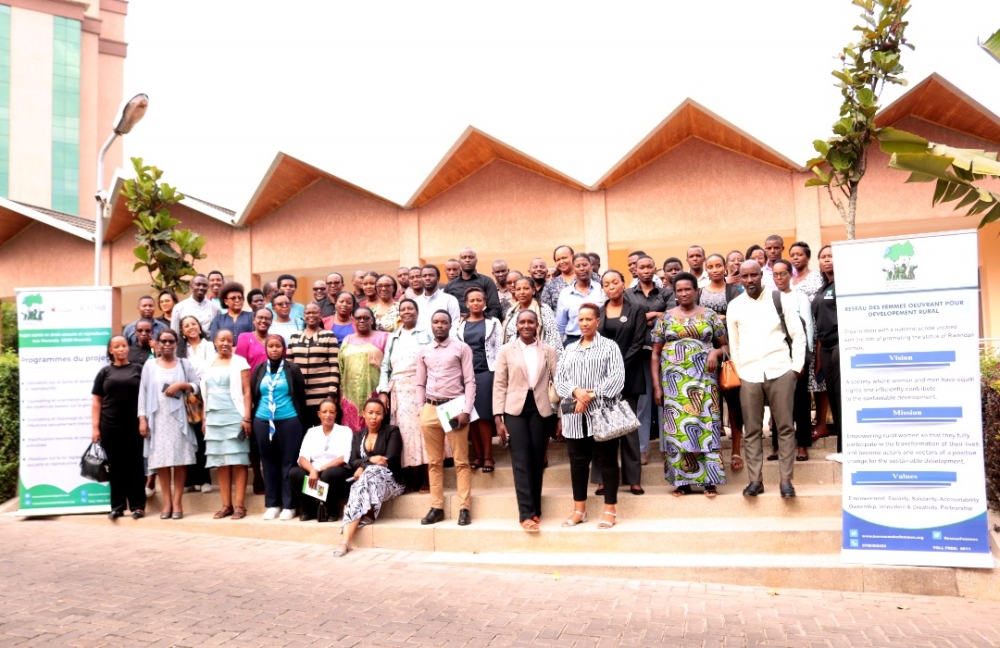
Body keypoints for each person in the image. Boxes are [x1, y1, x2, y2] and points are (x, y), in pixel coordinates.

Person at [728, 261, 806, 498]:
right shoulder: (735, 306)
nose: (750, 279)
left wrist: (796, 369)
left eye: (754, 275)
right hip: (749, 374)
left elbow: (798, 334)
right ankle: (755, 481)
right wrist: (740, 372)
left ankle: (785, 481)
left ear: (762, 274)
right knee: (751, 430)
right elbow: (735, 344)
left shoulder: (780, 299)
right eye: (745, 276)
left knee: (784, 428)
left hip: (781, 369)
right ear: (739, 278)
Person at [651, 272, 728, 497]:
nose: (684, 293)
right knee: (678, 431)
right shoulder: (665, 318)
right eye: (679, 290)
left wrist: (715, 351)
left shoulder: (711, 316)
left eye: (688, 289)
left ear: (696, 291)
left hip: (704, 381)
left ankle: (709, 480)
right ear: (675, 293)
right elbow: (655, 354)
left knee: (706, 426)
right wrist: (657, 387)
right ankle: (682, 482)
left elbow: (726, 347)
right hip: (674, 386)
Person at [556, 303, 626, 529]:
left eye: (589, 319)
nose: (584, 323)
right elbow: (559, 379)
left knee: (607, 461)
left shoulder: (609, 347)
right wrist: (576, 392)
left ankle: (610, 510)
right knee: (577, 463)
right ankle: (579, 510)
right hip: (574, 416)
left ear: (598, 321)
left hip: (603, 413)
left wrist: (590, 395)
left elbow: (617, 377)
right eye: (581, 319)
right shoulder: (569, 349)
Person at [494, 310, 559, 532]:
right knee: (520, 459)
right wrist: (497, 417)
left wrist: (559, 416)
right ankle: (525, 513)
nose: (526, 325)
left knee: (537, 459)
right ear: (516, 325)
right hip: (514, 409)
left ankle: (536, 509)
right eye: (522, 322)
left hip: (541, 409)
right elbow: (499, 384)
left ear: (537, 324)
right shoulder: (506, 351)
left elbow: (557, 383)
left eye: (530, 321)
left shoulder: (549, 350)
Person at [415, 310, 476, 526]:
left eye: (444, 322)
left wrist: (466, 410)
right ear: (431, 324)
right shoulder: (424, 351)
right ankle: (436, 506)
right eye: (436, 321)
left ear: (450, 325)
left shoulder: (461, 348)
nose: (439, 325)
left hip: (455, 408)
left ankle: (464, 508)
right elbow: (420, 383)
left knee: (461, 461)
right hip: (430, 408)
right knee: (434, 462)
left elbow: (469, 381)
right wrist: (420, 408)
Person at [592, 271, 647, 496]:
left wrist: (617, 367)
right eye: (606, 284)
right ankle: (603, 479)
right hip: (601, 378)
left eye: (615, 282)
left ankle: (633, 479)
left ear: (623, 284)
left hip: (629, 375)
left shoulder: (637, 310)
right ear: (603, 288)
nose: (611, 286)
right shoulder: (598, 313)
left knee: (629, 429)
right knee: (603, 427)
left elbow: (638, 343)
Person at [137, 329, 200, 519]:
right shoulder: (149, 365)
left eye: (171, 341)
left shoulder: (184, 363)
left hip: (179, 419)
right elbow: (143, 393)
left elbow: (197, 385)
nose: (167, 344)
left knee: (180, 462)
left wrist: (183, 385)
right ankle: (167, 502)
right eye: (163, 341)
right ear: (157, 342)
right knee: (162, 463)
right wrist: (142, 418)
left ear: (176, 344)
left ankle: (178, 502)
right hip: (157, 419)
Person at [334, 398, 406, 557]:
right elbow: (352, 461)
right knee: (364, 479)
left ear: (384, 415)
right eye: (370, 413)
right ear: (363, 414)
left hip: (391, 483)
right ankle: (346, 541)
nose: (374, 417)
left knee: (370, 473)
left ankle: (365, 514)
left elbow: (389, 459)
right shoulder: (358, 436)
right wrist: (369, 460)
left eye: (378, 413)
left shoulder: (392, 431)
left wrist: (363, 466)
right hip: (366, 483)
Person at [377, 299, 435, 492]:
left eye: (410, 308)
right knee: (405, 435)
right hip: (399, 391)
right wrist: (383, 391)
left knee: (423, 431)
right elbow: (385, 367)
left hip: (421, 387)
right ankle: (414, 477)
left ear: (417, 312)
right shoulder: (393, 337)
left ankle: (428, 478)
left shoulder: (426, 332)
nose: (406, 311)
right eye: (403, 309)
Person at [250, 334, 308, 520]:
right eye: (271, 346)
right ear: (266, 349)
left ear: (284, 349)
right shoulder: (259, 369)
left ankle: (289, 506)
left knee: (288, 463)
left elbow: (299, 395)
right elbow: (254, 393)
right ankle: (272, 504)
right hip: (262, 421)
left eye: (278, 346)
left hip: (289, 420)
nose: (274, 349)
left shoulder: (293, 369)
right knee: (268, 462)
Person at [698, 253, 745, 471]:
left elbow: (739, 319)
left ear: (725, 268)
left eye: (719, 265)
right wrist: (720, 317)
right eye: (711, 266)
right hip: (703, 356)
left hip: (729, 354)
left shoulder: (734, 291)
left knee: (734, 402)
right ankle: (711, 450)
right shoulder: (699, 293)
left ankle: (736, 449)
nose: (715, 269)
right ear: (706, 269)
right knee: (709, 405)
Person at [92, 335, 146, 520]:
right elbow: (97, 401)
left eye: (124, 345)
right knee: (115, 468)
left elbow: (145, 398)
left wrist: (143, 420)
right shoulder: (104, 372)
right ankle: (117, 507)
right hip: (109, 426)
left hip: (134, 425)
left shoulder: (139, 369)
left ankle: (138, 507)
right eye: (117, 346)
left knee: (136, 466)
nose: (121, 349)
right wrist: (95, 428)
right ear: (111, 350)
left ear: (128, 348)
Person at [200, 329, 252, 520]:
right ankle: (226, 505)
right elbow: (205, 393)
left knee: (238, 461)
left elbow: (247, 392)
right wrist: (205, 418)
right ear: (215, 341)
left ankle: (239, 505)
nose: (225, 343)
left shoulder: (240, 362)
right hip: (214, 417)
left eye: (229, 340)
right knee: (220, 462)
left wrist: (247, 418)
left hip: (235, 415)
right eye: (222, 340)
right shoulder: (208, 363)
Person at [627, 255, 674, 465]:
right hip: (640, 355)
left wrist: (645, 317)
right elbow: (628, 320)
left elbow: (672, 316)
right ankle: (642, 448)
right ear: (635, 270)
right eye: (641, 267)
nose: (646, 270)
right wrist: (656, 313)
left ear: (655, 269)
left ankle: (668, 447)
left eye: (649, 267)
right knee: (644, 404)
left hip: (666, 354)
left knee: (666, 400)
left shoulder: (666, 292)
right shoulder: (628, 294)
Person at [769, 259, 814, 462]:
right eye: (775, 274)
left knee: (801, 402)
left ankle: (802, 445)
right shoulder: (769, 299)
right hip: (777, 357)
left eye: (783, 274)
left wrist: (804, 358)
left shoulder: (800, 297)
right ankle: (778, 446)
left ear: (790, 275)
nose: (779, 278)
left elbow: (808, 329)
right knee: (778, 402)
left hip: (797, 355)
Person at [454, 286, 502, 473]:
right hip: (464, 375)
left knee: (483, 416)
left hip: (486, 373)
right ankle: (478, 456)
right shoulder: (458, 325)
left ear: (485, 302)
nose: (475, 303)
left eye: (479, 300)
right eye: (472, 301)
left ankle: (489, 456)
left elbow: (499, 349)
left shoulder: (493, 323)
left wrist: (498, 374)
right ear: (466, 304)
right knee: (470, 416)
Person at [289, 397, 354, 522]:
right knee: (295, 473)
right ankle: (309, 509)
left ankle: (331, 510)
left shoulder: (345, 431)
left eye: (331, 412)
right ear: (319, 414)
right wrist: (312, 470)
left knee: (329, 474)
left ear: (336, 414)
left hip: (336, 473)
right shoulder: (312, 432)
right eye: (324, 412)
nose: (328, 415)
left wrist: (318, 470)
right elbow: (302, 457)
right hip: (314, 473)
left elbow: (343, 458)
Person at [789, 241, 829, 440]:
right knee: (803, 383)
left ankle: (821, 423)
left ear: (807, 257)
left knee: (819, 381)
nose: (796, 258)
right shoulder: (790, 282)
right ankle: (804, 421)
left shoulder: (818, 277)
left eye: (799, 254)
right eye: (793, 255)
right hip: (798, 337)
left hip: (817, 331)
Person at [235, 307, 273, 495]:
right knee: (254, 441)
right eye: (260, 318)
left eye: (267, 318)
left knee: (268, 438)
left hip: (271, 394)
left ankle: (269, 476)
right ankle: (257, 477)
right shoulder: (244, 338)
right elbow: (239, 366)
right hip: (250, 393)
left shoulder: (275, 339)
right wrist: (244, 396)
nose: (263, 321)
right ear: (254, 320)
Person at [176, 314, 215, 494]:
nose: (191, 327)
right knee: (188, 439)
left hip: (204, 395)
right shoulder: (180, 350)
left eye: (194, 324)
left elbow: (210, 368)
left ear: (199, 327)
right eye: (186, 325)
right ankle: (191, 480)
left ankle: (205, 479)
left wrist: (196, 383)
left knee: (201, 437)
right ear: (182, 332)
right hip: (184, 398)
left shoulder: (208, 346)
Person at [287, 302, 341, 427]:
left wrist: (331, 394)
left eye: (314, 312)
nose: (311, 315)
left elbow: (334, 366)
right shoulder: (294, 337)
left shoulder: (328, 336)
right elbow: (288, 367)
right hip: (300, 397)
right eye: (308, 312)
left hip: (322, 397)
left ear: (320, 314)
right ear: (303, 315)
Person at [812, 245, 841, 461]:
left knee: (841, 394)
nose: (827, 260)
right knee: (832, 393)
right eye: (823, 257)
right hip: (826, 346)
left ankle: (847, 447)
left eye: (831, 256)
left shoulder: (844, 284)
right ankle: (842, 448)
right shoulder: (824, 288)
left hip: (841, 343)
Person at [338, 306, 389, 415]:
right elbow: (341, 369)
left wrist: (384, 392)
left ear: (372, 320)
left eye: (366, 318)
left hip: (376, 395)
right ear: (353, 320)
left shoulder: (384, 337)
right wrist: (341, 395)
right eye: (358, 318)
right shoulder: (347, 339)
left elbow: (390, 367)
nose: (362, 320)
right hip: (349, 398)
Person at [555, 253, 605, 347]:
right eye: (578, 266)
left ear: (590, 266)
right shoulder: (565, 293)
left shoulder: (601, 290)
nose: (582, 268)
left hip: (599, 341)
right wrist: (559, 349)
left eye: (585, 265)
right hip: (573, 342)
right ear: (573, 268)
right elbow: (560, 325)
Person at [501, 276, 561, 350]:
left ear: (533, 291)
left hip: (538, 355)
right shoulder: (511, 312)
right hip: (514, 355)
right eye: (518, 289)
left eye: (526, 288)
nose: (522, 292)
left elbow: (553, 337)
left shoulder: (544, 310)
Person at [444, 248, 503, 320]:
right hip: (457, 326)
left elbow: (495, 308)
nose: (467, 260)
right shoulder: (450, 286)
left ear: (476, 261)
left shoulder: (487, 281)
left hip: (482, 325)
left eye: (471, 257)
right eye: (464, 257)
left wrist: (481, 321)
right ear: (459, 262)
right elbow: (444, 310)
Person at [416, 264, 460, 331]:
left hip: (444, 340)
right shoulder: (416, 302)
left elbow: (455, 325)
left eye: (431, 275)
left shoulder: (450, 300)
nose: (427, 278)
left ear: (438, 278)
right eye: (424, 276)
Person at [540, 245, 576, 311]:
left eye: (564, 258)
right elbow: (545, 311)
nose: (561, 262)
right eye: (558, 260)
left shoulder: (586, 277)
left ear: (573, 257)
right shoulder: (550, 284)